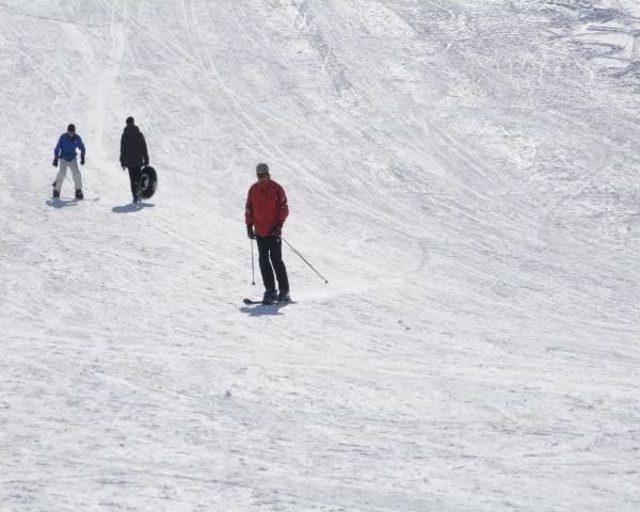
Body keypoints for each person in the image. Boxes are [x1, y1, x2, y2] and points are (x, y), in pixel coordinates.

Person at [245, 163, 290, 304]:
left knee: (276, 259)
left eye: (264, 175)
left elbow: (284, 209)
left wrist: (279, 226)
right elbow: (249, 209)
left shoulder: (277, 189)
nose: (261, 178)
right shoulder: (253, 190)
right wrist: (249, 226)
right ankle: (270, 290)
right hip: (260, 231)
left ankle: (284, 291)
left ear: (268, 174)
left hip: (273, 231)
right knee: (263, 260)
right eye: (259, 176)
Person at [52, 123, 85, 199]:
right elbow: (57, 148)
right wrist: (56, 158)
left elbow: (82, 147)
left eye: (72, 132)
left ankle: (78, 190)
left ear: (74, 131)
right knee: (62, 172)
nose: (71, 134)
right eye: (70, 132)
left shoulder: (77, 138)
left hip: (72, 158)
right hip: (63, 158)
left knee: (76, 173)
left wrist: (82, 156)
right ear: (67, 131)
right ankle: (56, 190)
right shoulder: (63, 137)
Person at [120, 116, 149, 203]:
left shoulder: (125, 135)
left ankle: (135, 196)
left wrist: (122, 161)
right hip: (138, 159)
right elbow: (144, 147)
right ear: (133, 122)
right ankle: (139, 191)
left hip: (129, 160)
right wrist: (146, 159)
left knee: (132, 179)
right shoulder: (139, 134)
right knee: (138, 176)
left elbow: (123, 149)